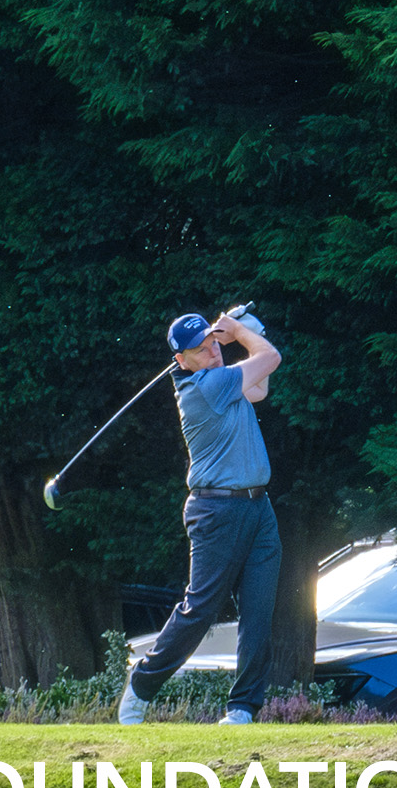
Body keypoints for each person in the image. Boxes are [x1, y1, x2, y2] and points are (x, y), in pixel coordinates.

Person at [120, 309, 283, 726]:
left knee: (259, 610)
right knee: (201, 609)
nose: (213, 351)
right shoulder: (205, 386)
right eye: (201, 349)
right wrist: (243, 332)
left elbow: (259, 387)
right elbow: (270, 360)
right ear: (182, 361)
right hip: (218, 510)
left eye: (213, 341)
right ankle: (141, 686)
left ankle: (243, 709)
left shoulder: (223, 379)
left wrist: (238, 337)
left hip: (257, 508)